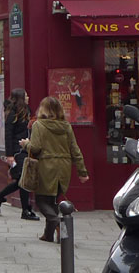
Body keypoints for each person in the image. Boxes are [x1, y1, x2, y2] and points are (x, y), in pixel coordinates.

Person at [21, 95, 90, 242]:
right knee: (52, 200)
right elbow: (75, 149)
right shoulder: (66, 126)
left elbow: (36, 148)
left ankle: (56, 222)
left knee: (41, 201)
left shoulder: (39, 125)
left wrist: (26, 144)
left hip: (47, 167)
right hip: (64, 168)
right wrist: (82, 171)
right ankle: (48, 234)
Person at [0, 88, 37, 220]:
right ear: (21, 98)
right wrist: (9, 155)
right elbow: (8, 134)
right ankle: (25, 210)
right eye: (26, 95)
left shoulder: (27, 111)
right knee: (24, 179)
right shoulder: (13, 114)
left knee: (22, 180)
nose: (28, 97)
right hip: (17, 151)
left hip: (27, 148)